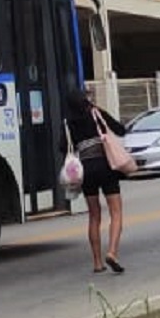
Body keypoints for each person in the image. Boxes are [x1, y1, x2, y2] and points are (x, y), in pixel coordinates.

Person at [63, 88, 128, 274]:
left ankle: (97, 263)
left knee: (94, 215)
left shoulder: (68, 122)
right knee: (116, 211)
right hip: (105, 166)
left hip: (86, 171)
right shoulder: (96, 113)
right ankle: (112, 253)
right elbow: (120, 130)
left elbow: (63, 147)